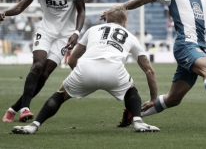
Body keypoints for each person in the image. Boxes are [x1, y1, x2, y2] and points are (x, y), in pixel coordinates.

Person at [11, 7, 160, 134]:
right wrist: (153, 99)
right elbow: (149, 71)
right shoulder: (131, 37)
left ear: (107, 20)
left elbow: (71, 60)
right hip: (114, 71)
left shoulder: (93, 29)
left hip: (86, 68)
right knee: (130, 90)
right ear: (125, 23)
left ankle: (33, 126)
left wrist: (83, 76)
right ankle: (138, 121)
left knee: (60, 95)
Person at [1, 0, 86, 123]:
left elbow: (81, 11)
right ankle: (25, 108)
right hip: (45, 31)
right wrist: (4, 13)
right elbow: (19, 7)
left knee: (45, 73)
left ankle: (13, 109)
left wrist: (76, 32)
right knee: (38, 65)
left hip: (65, 36)